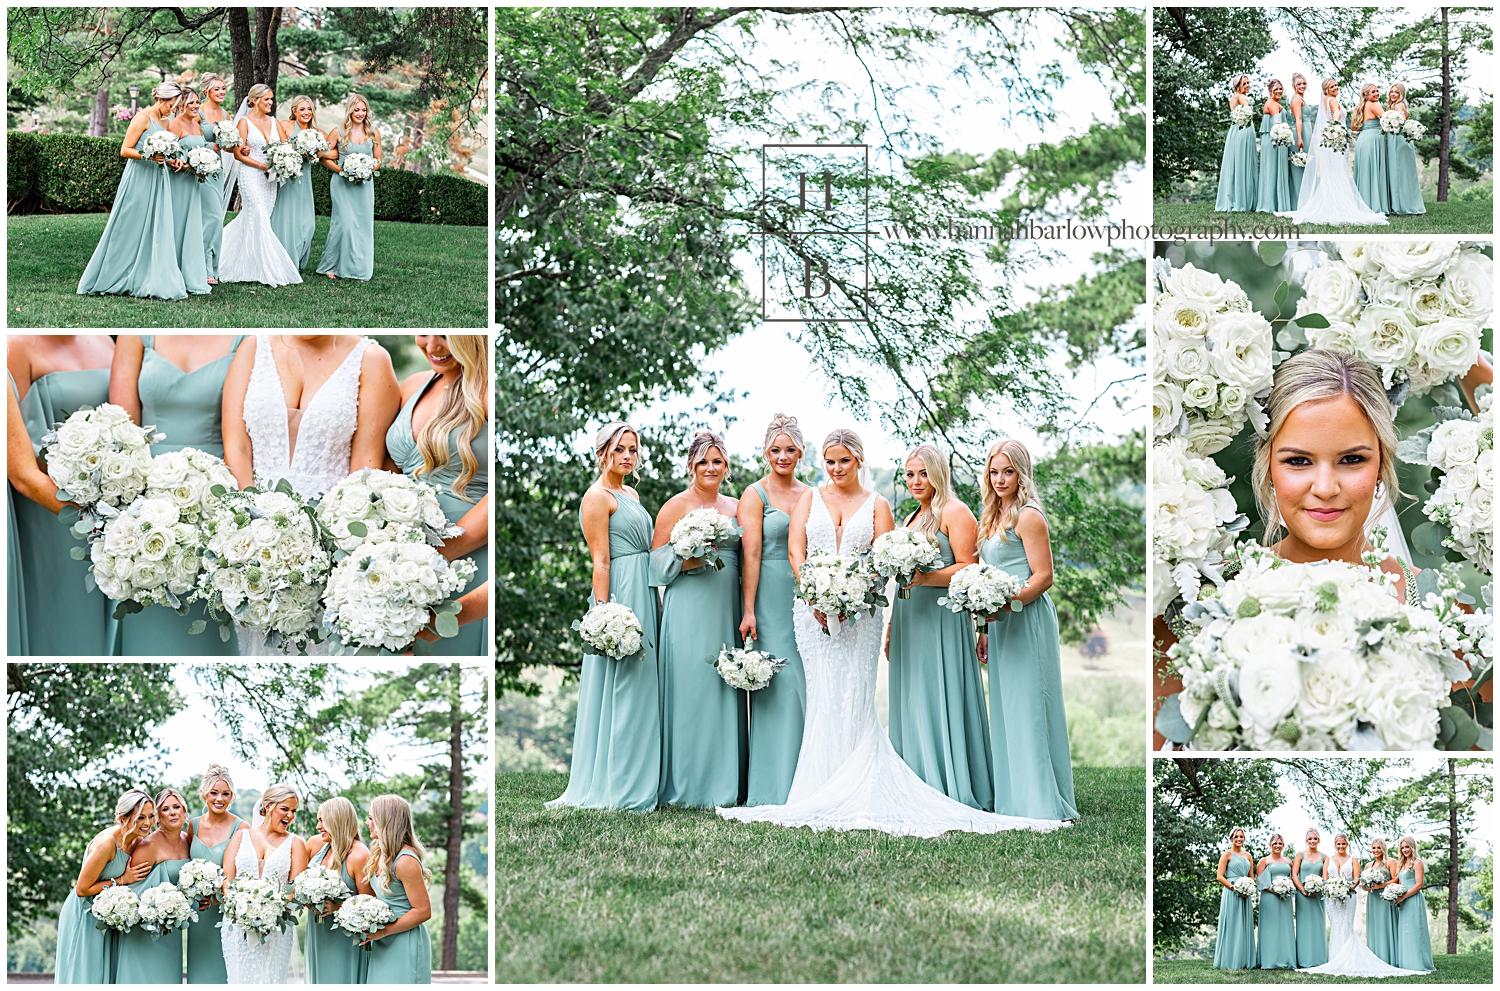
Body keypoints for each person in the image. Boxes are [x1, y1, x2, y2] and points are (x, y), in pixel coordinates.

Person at [719, 430, 1066, 837]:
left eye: (923, 474)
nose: (917, 481)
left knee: (949, 698)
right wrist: (826, 594)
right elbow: (837, 558)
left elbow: (969, 567)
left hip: (937, 619)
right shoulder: (911, 518)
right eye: (910, 474)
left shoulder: (951, 511)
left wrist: (923, 583)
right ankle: (849, 779)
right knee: (861, 698)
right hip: (890, 616)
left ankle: (977, 788)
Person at [218, 84, 303, 286]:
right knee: (257, 215)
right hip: (250, 174)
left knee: (260, 217)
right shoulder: (244, 122)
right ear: (254, 100)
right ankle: (268, 269)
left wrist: (283, 161)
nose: (270, 103)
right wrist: (260, 165)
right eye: (266, 99)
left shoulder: (275, 122)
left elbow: (285, 147)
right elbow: (238, 153)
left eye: (271, 99)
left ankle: (241, 261)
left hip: (269, 178)